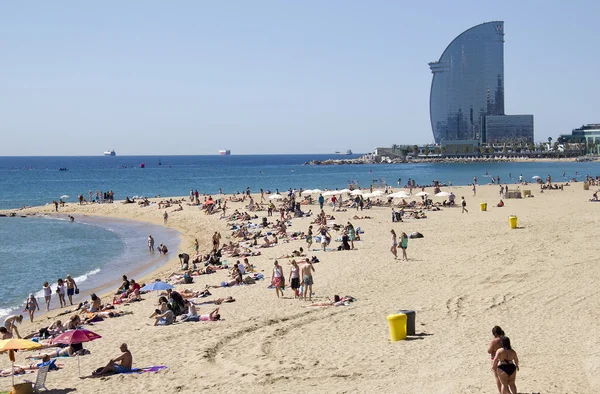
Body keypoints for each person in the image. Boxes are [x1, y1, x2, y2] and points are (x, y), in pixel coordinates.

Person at [488, 326, 505, 393]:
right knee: (504, 378)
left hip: (495, 359)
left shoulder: (494, 341)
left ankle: (501, 392)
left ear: (494, 334)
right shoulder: (505, 339)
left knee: (497, 377)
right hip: (504, 358)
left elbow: (489, 351)